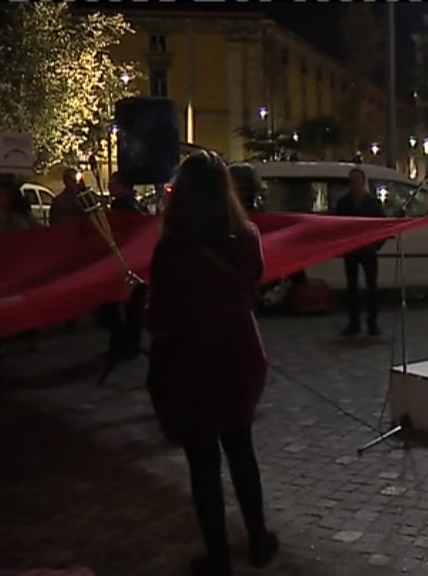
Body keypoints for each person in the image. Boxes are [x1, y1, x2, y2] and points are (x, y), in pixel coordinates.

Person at [145, 151, 279, 575]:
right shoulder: (247, 237)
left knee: (203, 465)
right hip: (238, 357)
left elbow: (160, 318)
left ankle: (218, 556)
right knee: (241, 451)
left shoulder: (172, 250)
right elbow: (250, 285)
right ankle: (258, 540)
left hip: (192, 366)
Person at [99, 172, 148, 360]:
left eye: (113, 182)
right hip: (134, 261)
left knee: (122, 307)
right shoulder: (136, 204)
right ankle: (131, 344)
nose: (109, 185)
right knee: (133, 306)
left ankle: (123, 345)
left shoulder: (122, 205)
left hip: (124, 261)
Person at [335, 167, 386, 336]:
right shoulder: (344, 202)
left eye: (357, 180)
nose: (355, 183)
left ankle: (372, 323)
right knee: (352, 288)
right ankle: (354, 322)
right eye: (352, 180)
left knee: (372, 287)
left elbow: (382, 225)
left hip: (368, 250)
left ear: (363, 182)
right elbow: (337, 225)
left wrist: (376, 245)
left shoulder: (372, 202)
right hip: (351, 249)